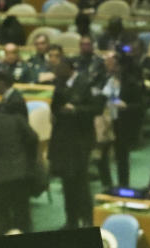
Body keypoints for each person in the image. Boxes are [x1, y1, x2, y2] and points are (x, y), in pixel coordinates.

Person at [49, 57, 98, 228]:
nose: (57, 71)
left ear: (68, 68)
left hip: (80, 141)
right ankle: (71, 220)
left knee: (80, 182)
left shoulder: (84, 84)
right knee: (67, 182)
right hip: (63, 141)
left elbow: (94, 109)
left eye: (59, 68)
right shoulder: (59, 83)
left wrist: (75, 110)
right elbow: (55, 107)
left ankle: (87, 219)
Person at [0, 99, 38, 235]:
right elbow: (34, 138)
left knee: (2, 221)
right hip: (22, 175)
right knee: (23, 216)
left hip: (1, 180)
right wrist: (30, 161)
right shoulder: (17, 120)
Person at [98, 51, 145, 189]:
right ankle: (107, 185)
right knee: (101, 156)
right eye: (106, 63)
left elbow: (141, 106)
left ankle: (123, 185)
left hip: (122, 123)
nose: (108, 65)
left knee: (121, 157)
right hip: (106, 122)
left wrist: (126, 106)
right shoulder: (103, 79)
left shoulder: (131, 82)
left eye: (111, 63)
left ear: (119, 65)